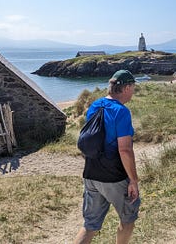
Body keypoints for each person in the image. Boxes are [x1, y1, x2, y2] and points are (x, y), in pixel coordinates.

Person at [74, 70, 140, 244]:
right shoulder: (121, 112)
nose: (133, 91)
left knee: (90, 225)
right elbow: (124, 150)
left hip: (90, 173)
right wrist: (133, 181)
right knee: (128, 219)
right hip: (114, 176)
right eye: (133, 87)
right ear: (126, 88)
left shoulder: (95, 105)